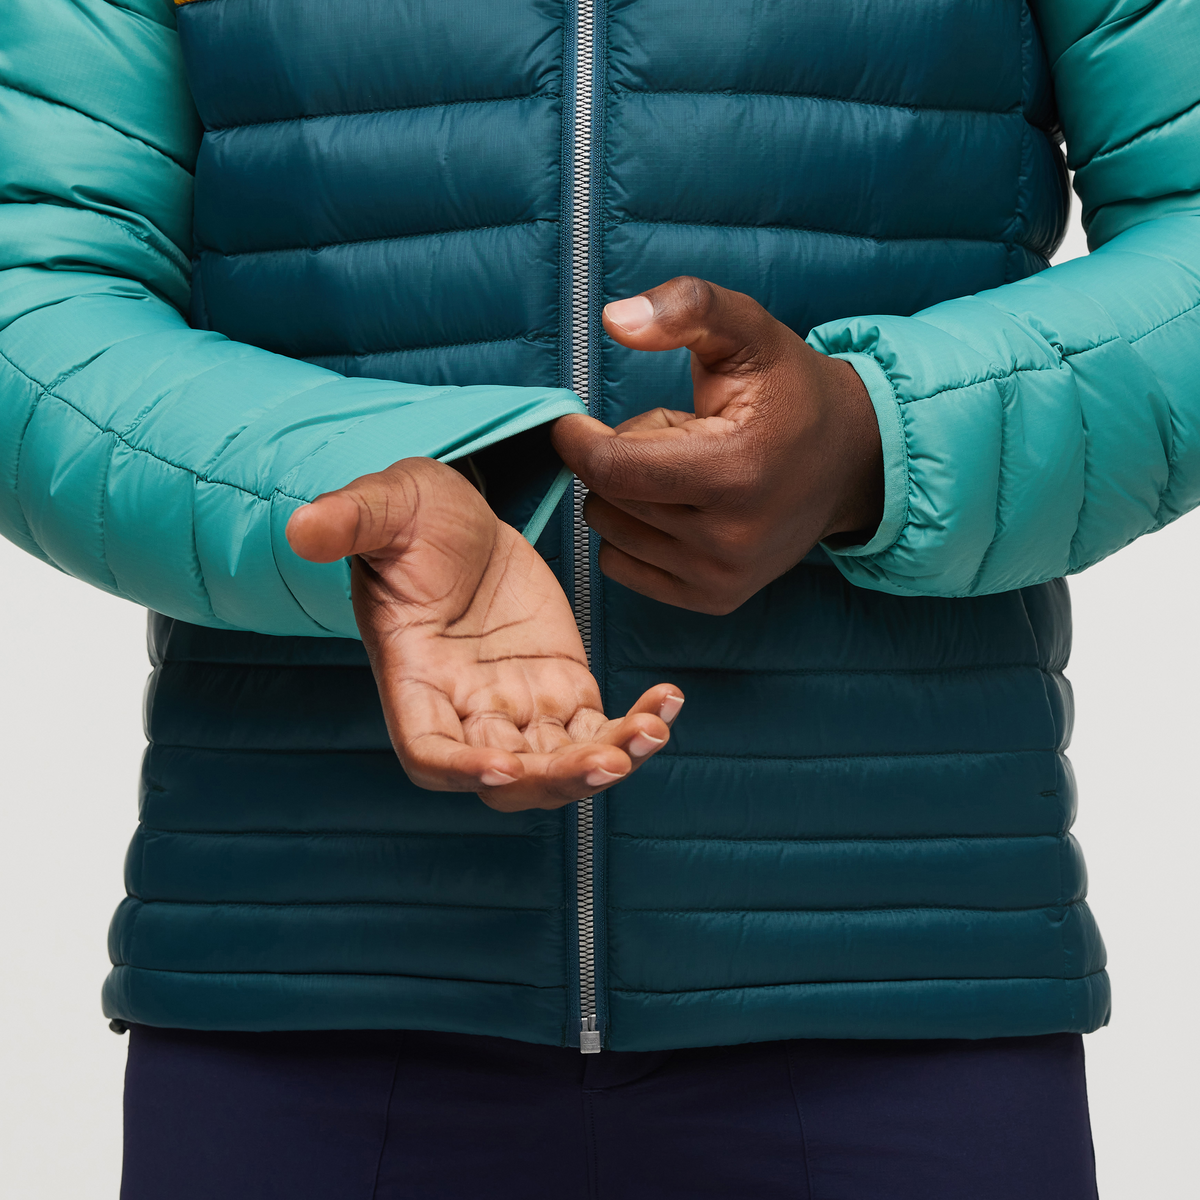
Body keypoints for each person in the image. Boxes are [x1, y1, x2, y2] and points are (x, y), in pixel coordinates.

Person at [2, 0, 1197, 1195]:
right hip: (301, 984)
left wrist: (875, 440)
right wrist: (383, 485)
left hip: (904, 986)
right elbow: (31, 296)